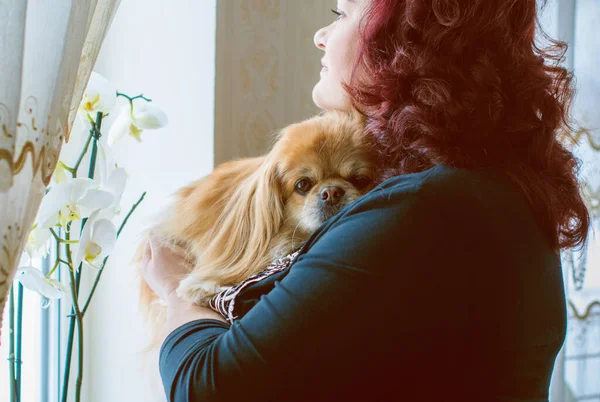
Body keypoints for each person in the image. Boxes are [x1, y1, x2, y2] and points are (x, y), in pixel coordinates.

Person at [141, 0, 590, 400]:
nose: (320, 36)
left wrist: (175, 286)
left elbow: (206, 387)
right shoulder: (482, 189)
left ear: (403, 45)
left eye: (341, 14)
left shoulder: (425, 211)